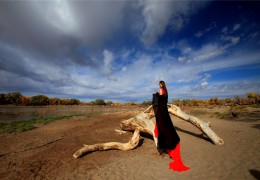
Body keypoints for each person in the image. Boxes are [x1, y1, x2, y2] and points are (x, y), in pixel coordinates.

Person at [153, 80, 189, 172]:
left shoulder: (161, 91)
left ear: (162, 85)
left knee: (162, 129)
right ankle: (166, 148)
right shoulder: (166, 92)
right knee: (167, 128)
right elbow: (163, 102)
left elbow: (158, 102)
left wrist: (156, 95)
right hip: (165, 113)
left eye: (160, 84)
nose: (159, 85)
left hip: (162, 113)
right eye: (159, 84)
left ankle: (163, 148)